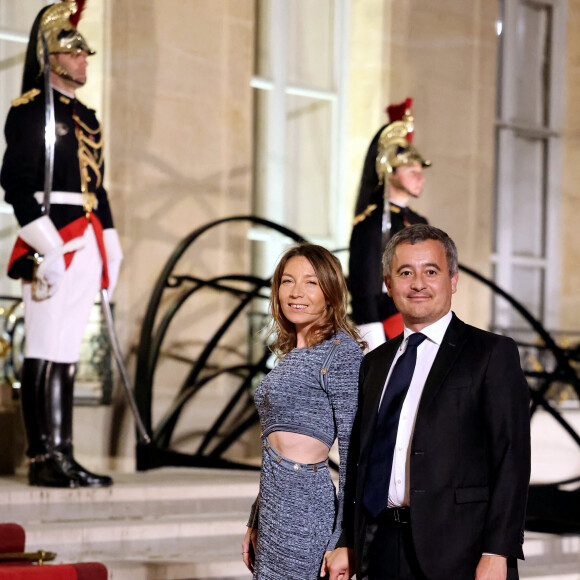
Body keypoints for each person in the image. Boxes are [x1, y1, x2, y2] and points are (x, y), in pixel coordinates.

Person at [325, 224, 531, 580]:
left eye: (430, 271)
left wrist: (498, 550)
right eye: (406, 273)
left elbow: (511, 459)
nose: (418, 284)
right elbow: (360, 460)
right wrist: (349, 540)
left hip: (462, 553)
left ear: (453, 280)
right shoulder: (374, 363)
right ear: (389, 285)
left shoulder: (490, 353)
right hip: (382, 547)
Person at [0, 1, 122, 488]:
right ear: (52, 56)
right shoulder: (30, 111)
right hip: (50, 237)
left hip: (86, 237)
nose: (85, 61)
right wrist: (46, 246)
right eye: (76, 54)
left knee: (68, 350)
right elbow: (14, 184)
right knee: (45, 348)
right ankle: (41, 457)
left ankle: (65, 454)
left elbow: (99, 188)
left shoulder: (87, 117)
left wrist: (111, 242)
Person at [241, 244, 365, 579]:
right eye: (287, 281)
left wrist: (345, 539)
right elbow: (274, 446)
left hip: (307, 510)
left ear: (330, 292)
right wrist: (256, 516)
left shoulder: (340, 353)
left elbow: (355, 450)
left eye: (311, 283)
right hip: (272, 510)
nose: (297, 292)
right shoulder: (289, 355)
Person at [349, 98, 430, 351]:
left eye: (420, 170)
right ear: (391, 173)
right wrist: (372, 339)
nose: (420, 178)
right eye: (412, 170)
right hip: (387, 324)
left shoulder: (420, 222)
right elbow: (364, 287)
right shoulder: (372, 223)